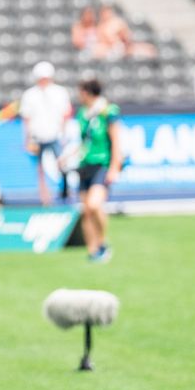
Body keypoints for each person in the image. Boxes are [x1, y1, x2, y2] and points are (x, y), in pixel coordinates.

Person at [71, 78, 123, 261]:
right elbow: (84, 141)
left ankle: (102, 243)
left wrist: (115, 166)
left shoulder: (108, 111)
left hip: (102, 163)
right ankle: (93, 251)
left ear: (86, 92)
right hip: (84, 165)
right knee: (86, 210)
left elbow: (116, 140)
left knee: (94, 204)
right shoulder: (83, 114)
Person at [19, 61, 73, 205]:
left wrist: (64, 134)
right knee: (40, 168)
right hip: (37, 136)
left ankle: (65, 189)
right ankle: (45, 197)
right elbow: (26, 118)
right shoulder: (30, 95)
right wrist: (27, 139)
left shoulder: (60, 92)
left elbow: (66, 115)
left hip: (55, 134)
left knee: (62, 164)